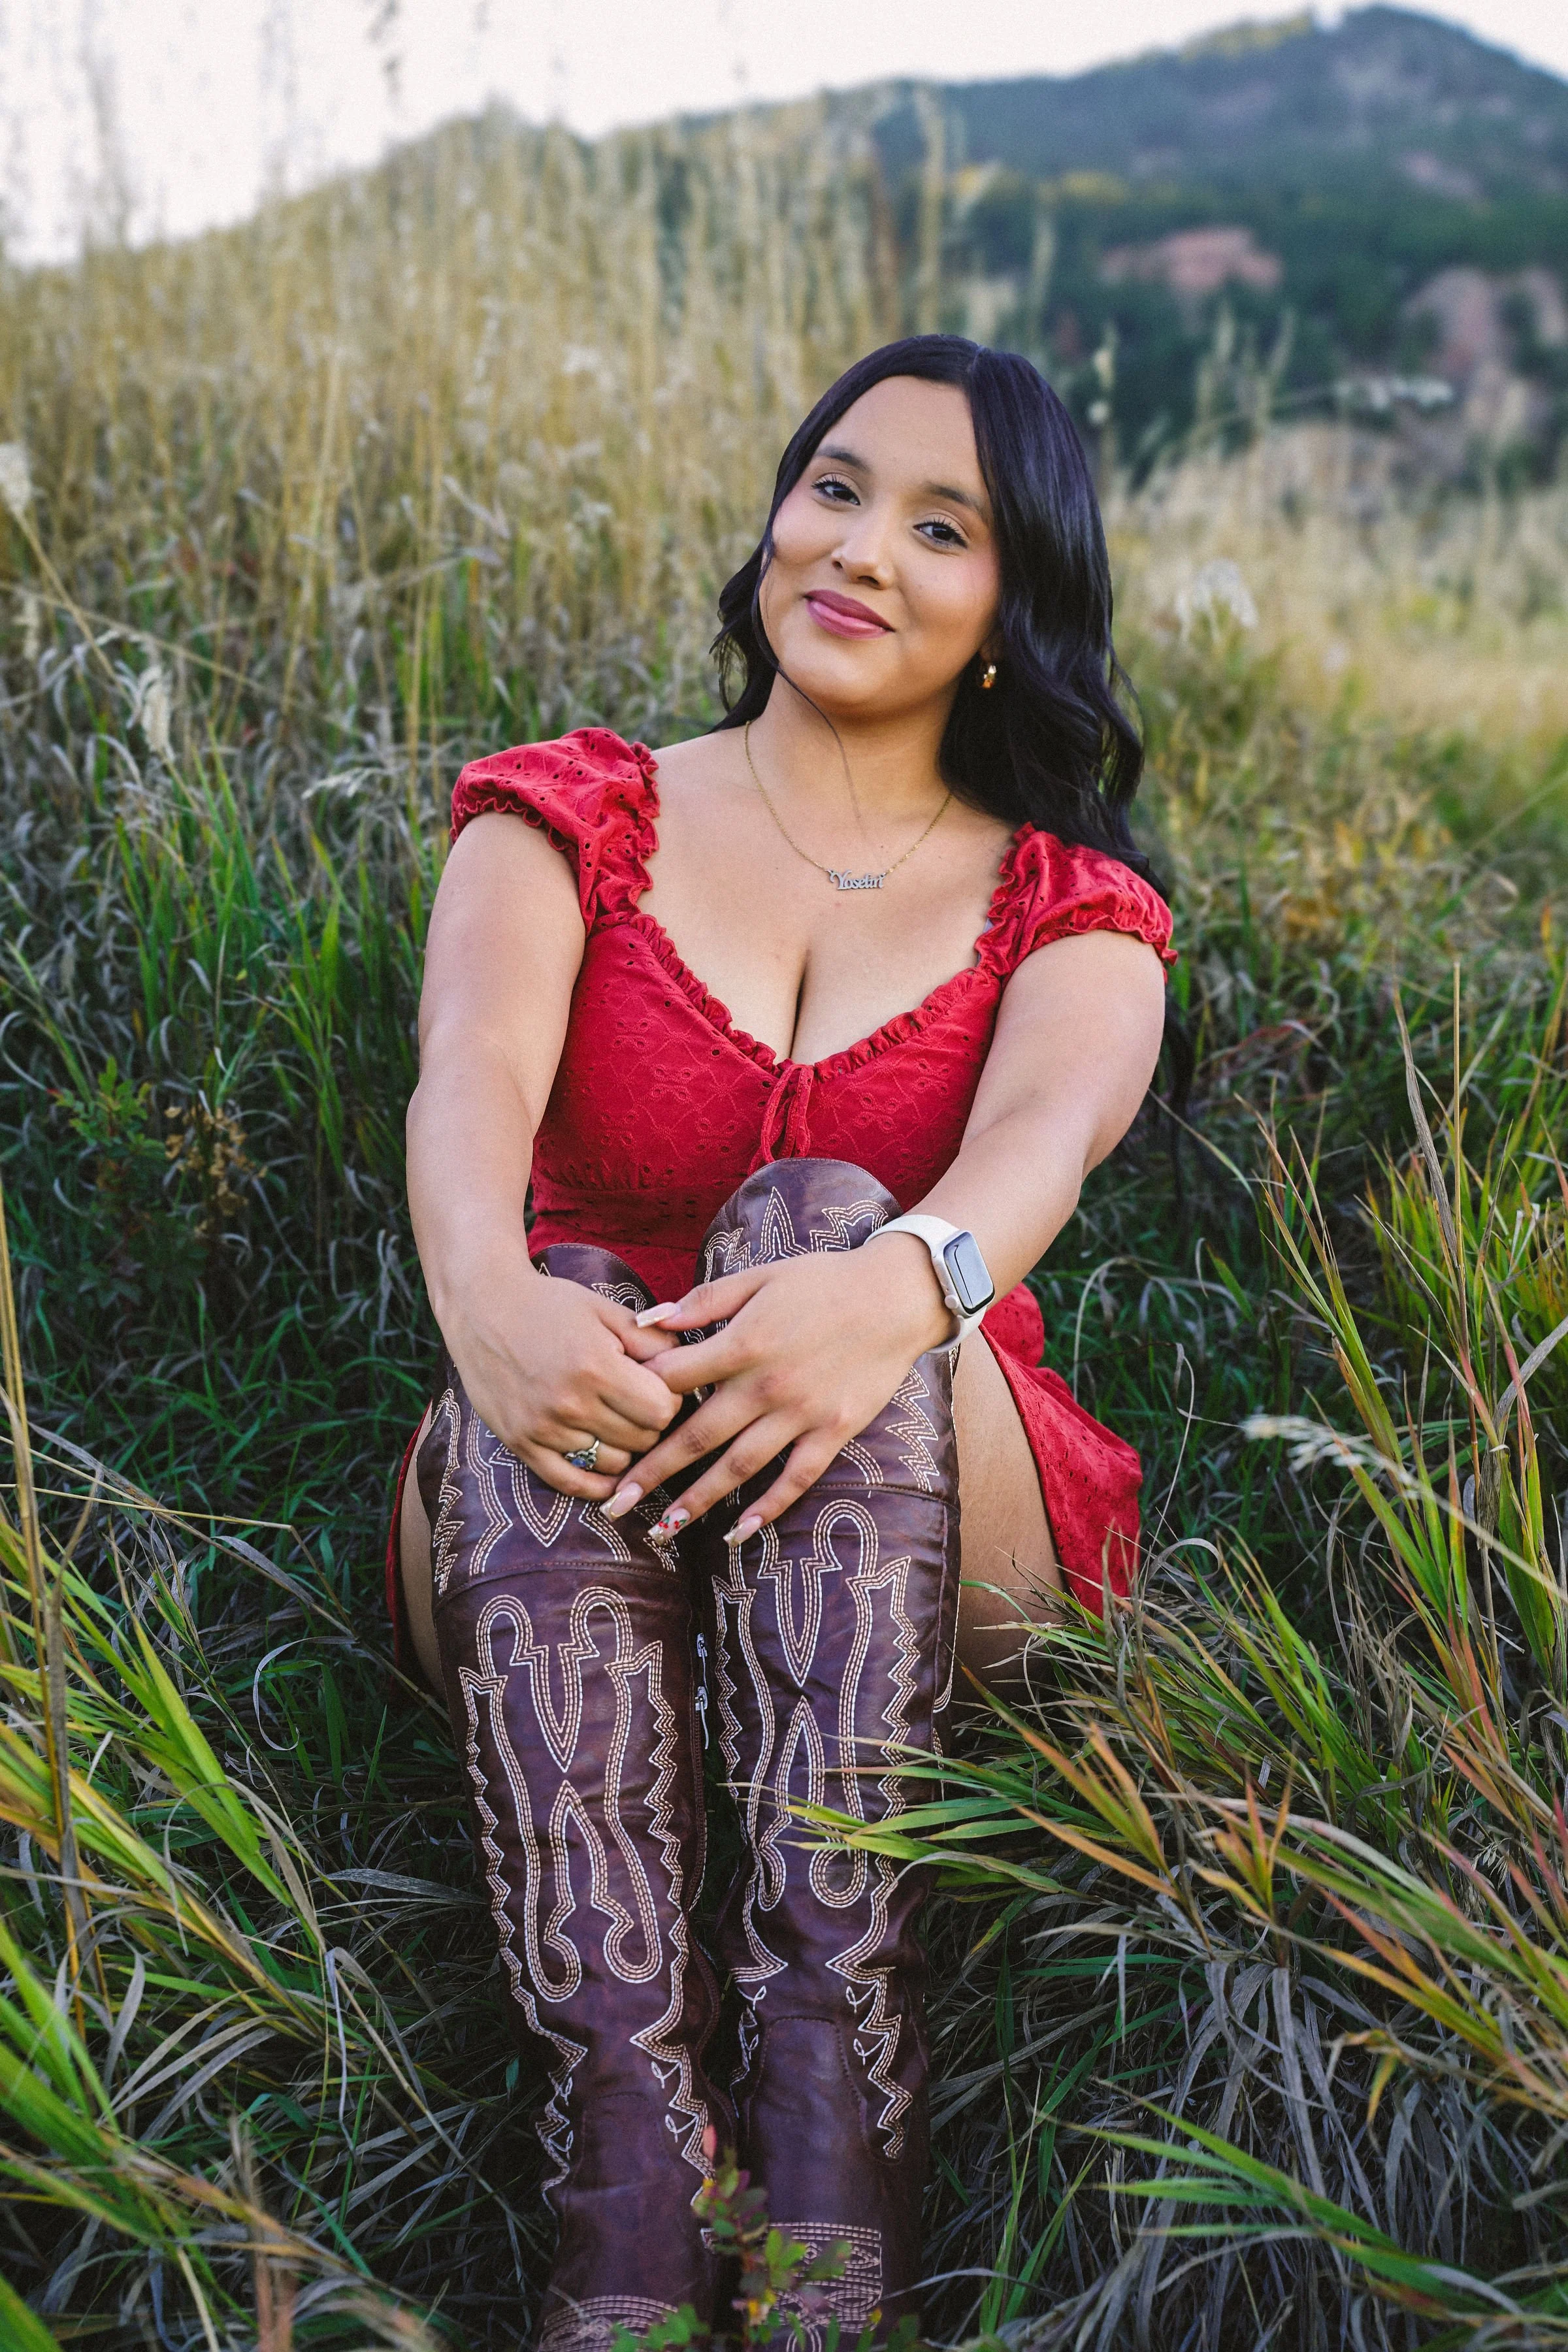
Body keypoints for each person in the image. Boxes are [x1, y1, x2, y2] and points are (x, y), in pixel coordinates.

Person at [387, 335, 1174, 2349]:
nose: (861, 549)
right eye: (835, 488)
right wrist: (488, 1301)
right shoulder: (576, 813)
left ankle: (840, 2132)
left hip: (938, 1506)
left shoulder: (1069, 912)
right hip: (559, 1471)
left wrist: (886, 1290)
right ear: (771, 520)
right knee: (576, 1288)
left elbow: (1037, 1157)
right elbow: (469, 1084)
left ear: (1018, 614)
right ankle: (631, 2169)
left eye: (943, 527)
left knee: (821, 1212)